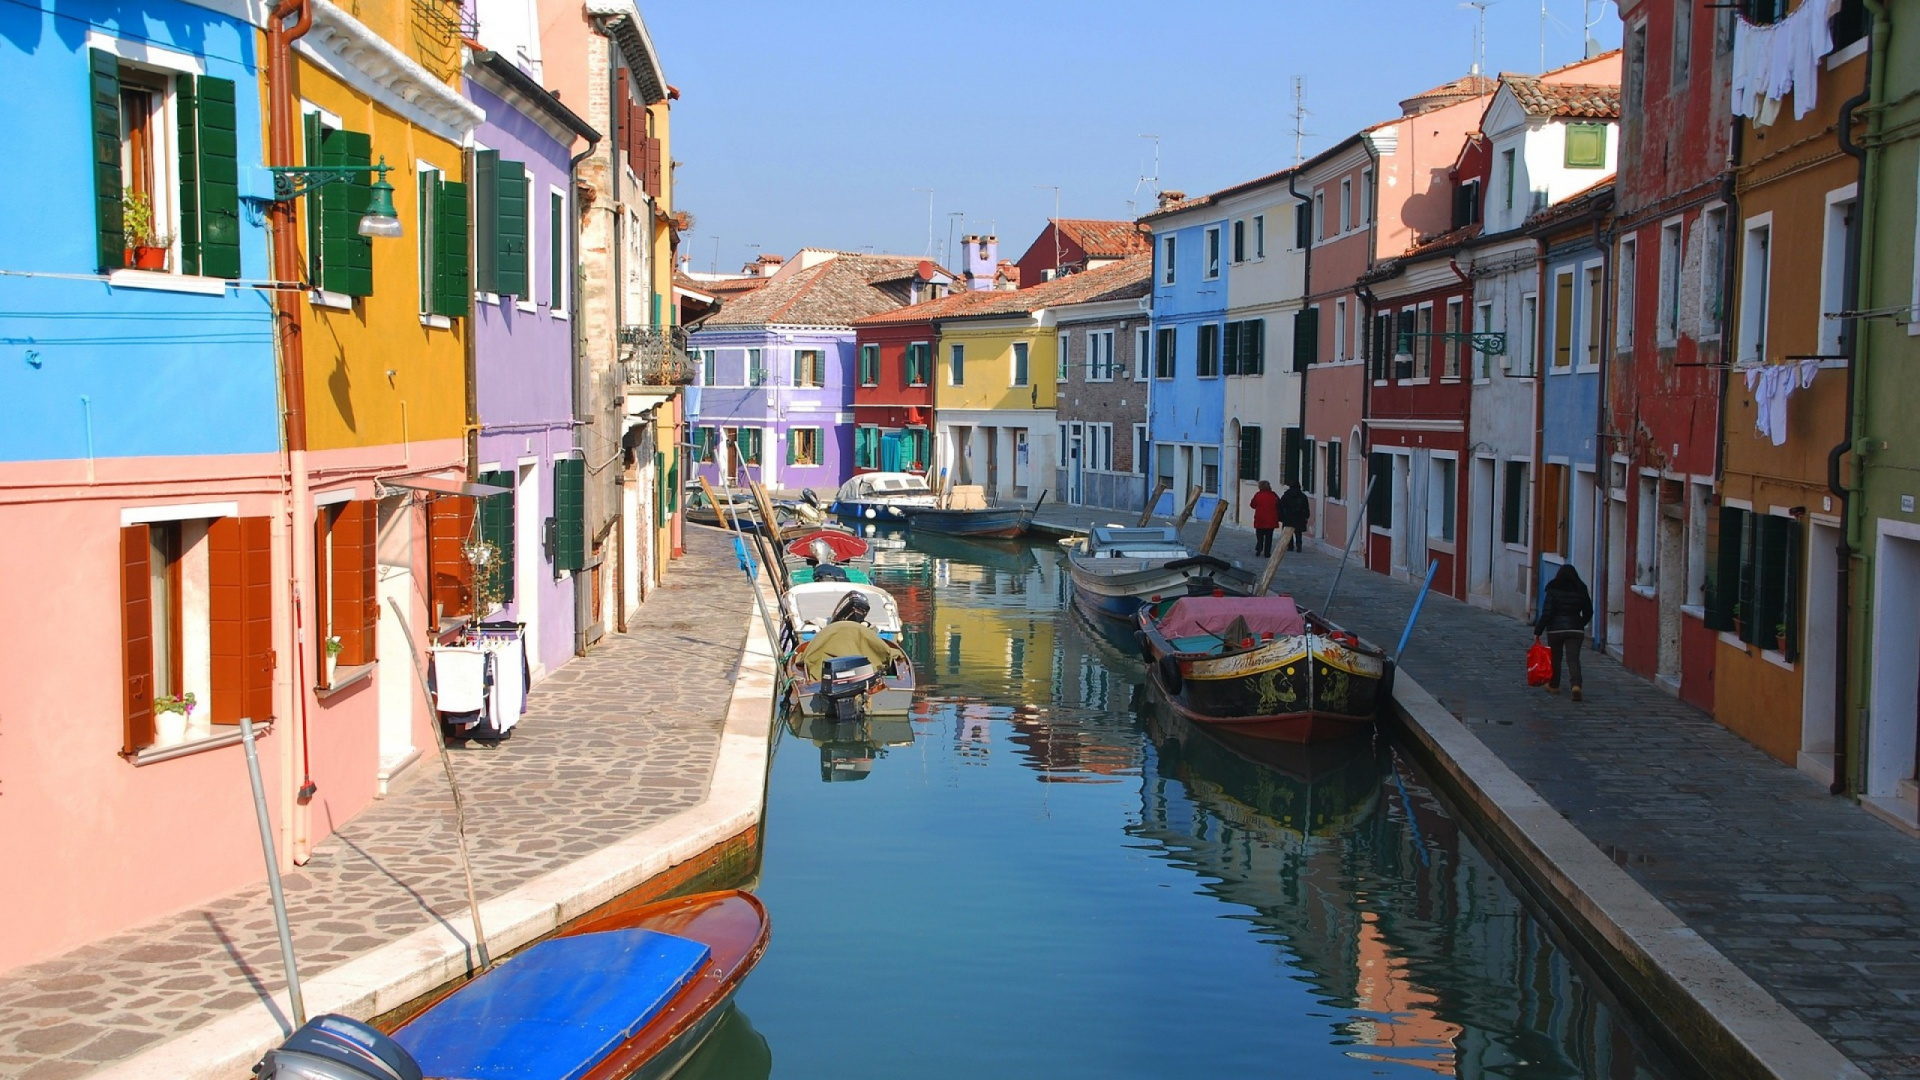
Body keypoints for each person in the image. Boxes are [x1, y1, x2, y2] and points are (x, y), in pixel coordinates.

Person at [1533, 563, 1595, 701]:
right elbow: (1589, 611)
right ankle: (1576, 685)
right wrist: (1580, 623)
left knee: (1556, 658)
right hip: (1575, 629)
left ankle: (1554, 685)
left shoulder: (1553, 589)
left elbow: (1547, 613)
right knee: (1573, 659)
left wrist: (1539, 630)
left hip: (1555, 629)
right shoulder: (1581, 589)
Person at [1250, 480, 1281, 557]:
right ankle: (1267, 553)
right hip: (1271, 519)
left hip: (1260, 518)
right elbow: (1279, 504)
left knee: (1259, 535)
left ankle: (1259, 546)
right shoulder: (1273, 495)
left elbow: (1253, 505)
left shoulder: (1258, 495)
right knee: (1269, 537)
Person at [1278, 481, 1310, 552]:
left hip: (1288, 516)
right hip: (1299, 516)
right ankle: (1299, 546)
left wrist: (1281, 516)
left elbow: (1281, 506)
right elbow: (1306, 507)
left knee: (1289, 533)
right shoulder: (1302, 496)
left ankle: (1290, 546)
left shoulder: (1286, 495)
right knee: (1298, 532)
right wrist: (1306, 516)